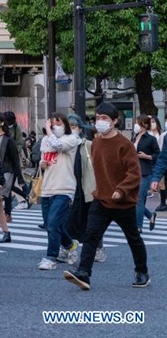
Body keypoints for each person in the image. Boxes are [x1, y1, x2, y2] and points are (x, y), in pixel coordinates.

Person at [63, 102, 152, 290]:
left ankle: (142, 271)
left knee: (133, 238)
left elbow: (134, 173)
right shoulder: (96, 143)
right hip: (102, 199)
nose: (100, 121)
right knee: (91, 235)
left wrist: (121, 189)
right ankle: (84, 273)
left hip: (123, 202)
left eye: (104, 118)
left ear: (114, 121)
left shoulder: (124, 144)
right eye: (97, 118)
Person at [37, 113, 81, 271]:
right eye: (52, 123)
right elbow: (43, 160)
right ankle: (70, 245)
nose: (55, 126)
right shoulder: (45, 140)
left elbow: (58, 146)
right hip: (48, 187)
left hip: (65, 187)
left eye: (58, 123)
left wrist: (48, 130)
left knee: (54, 223)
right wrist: (42, 163)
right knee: (50, 224)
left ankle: (51, 257)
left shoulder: (72, 138)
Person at [64, 115, 105, 263]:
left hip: (86, 188)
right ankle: (67, 249)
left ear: (80, 129)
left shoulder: (87, 144)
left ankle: (99, 249)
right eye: (69, 127)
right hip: (69, 188)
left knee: (92, 221)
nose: (71, 130)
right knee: (70, 221)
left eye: (74, 127)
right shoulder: (63, 146)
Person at [0, 112, 23, 244]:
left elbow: (15, 161)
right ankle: (6, 233)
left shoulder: (9, 140)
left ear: (1, 123)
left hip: (6, 173)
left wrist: (20, 179)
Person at [132, 115, 159, 232]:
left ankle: (138, 226)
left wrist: (146, 156)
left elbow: (158, 155)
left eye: (138, 123)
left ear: (144, 125)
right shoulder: (135, 137)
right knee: (135, 199)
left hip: (145, 172)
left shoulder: (151, 139)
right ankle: (150, 215)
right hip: (134, 171)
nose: (136, 125)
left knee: (139, 199)